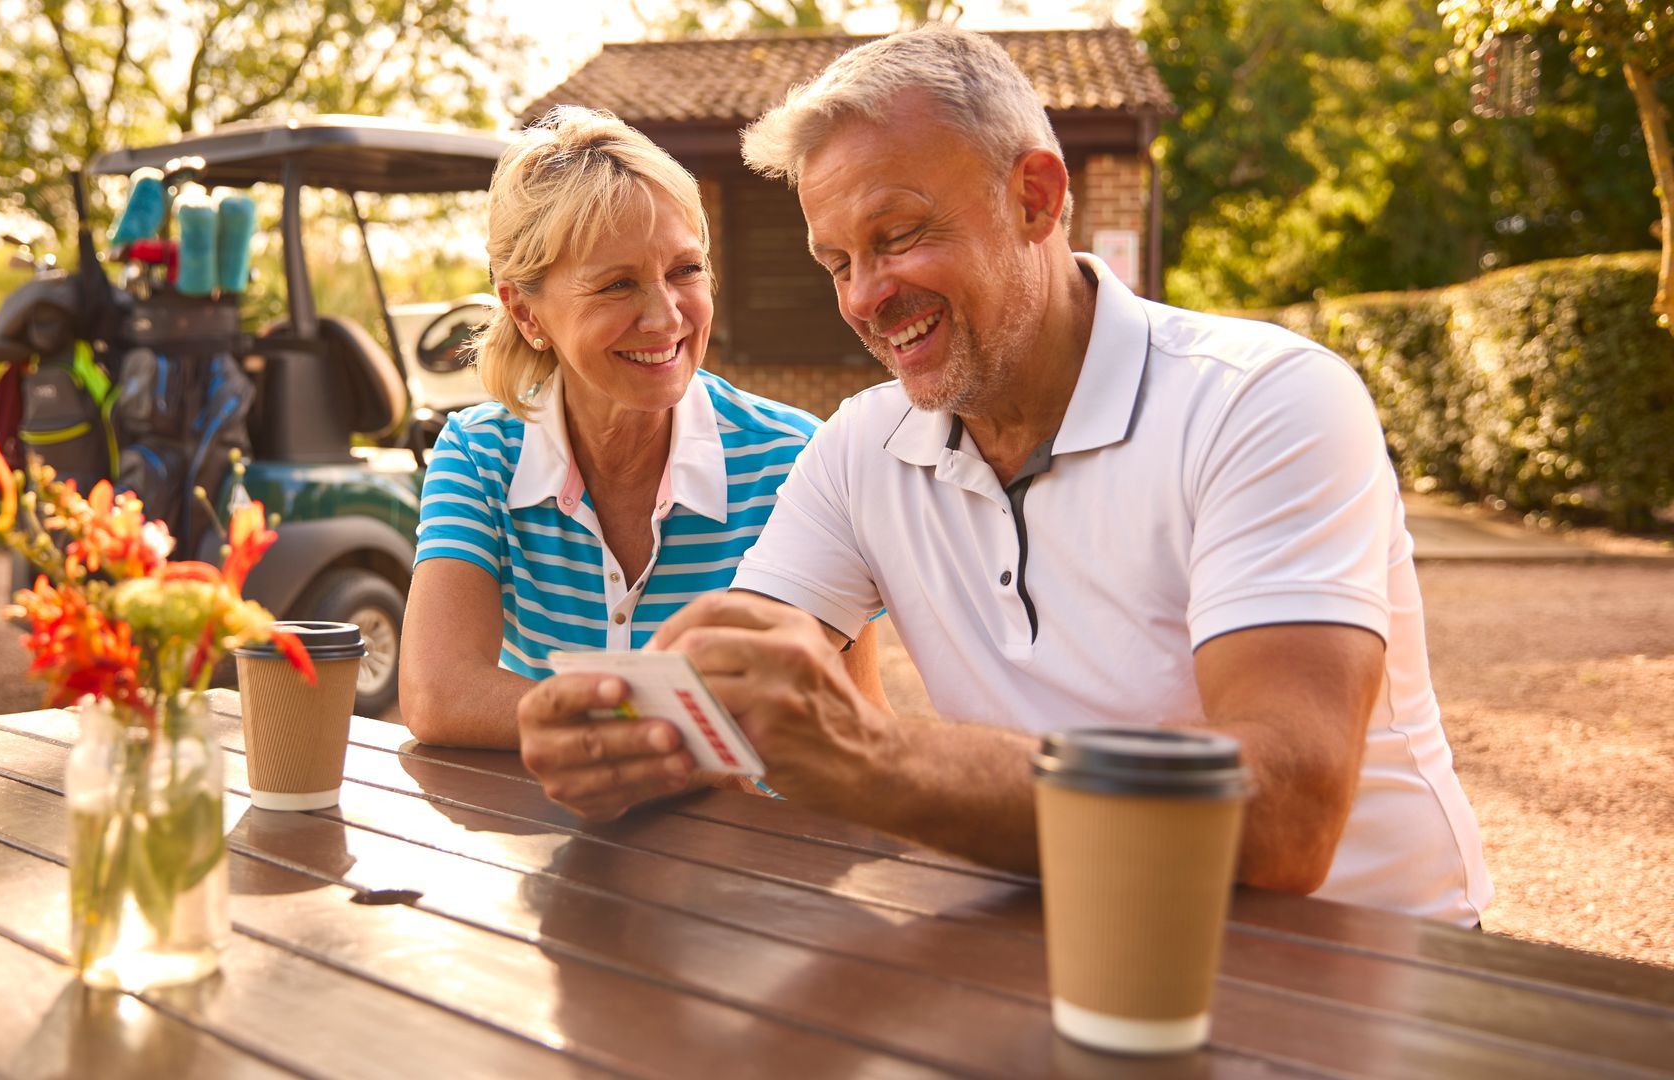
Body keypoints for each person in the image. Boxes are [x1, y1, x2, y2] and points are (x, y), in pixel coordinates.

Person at [514, 27, 1491, 925]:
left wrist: (877, 759)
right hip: (1065, 940)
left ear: (1035, 195)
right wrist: (628, 729)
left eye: (896, 236)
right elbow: (738, 659)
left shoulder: (1264, 402)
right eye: (835, 260)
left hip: (1350, 972)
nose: (864, 295)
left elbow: (1283, 819)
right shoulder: (862, 447)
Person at [401, 107, 886, 815]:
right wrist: (674, 736)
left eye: (685, 270)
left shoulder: (796, 461)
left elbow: (850, 725)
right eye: (616, 284)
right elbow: (437, 692)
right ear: (527, 312)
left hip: (771, 864)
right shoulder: (480, 453)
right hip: (572, 860)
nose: (665, 317)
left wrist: (594, 729)